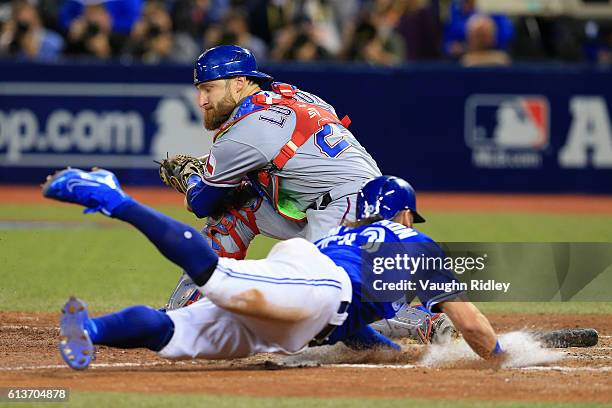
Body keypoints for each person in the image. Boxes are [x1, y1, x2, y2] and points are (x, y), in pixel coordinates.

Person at [42, 169, 503, 370]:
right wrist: (505, 357)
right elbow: (470, 323)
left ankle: (88, 330)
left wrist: (383, 349)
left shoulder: (341, 237)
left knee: (176, 333)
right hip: (316, 289)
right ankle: (114, 199)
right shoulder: (418, 245)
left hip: (303, 309)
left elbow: (349, 327)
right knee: (216, 277)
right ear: (405, 214)